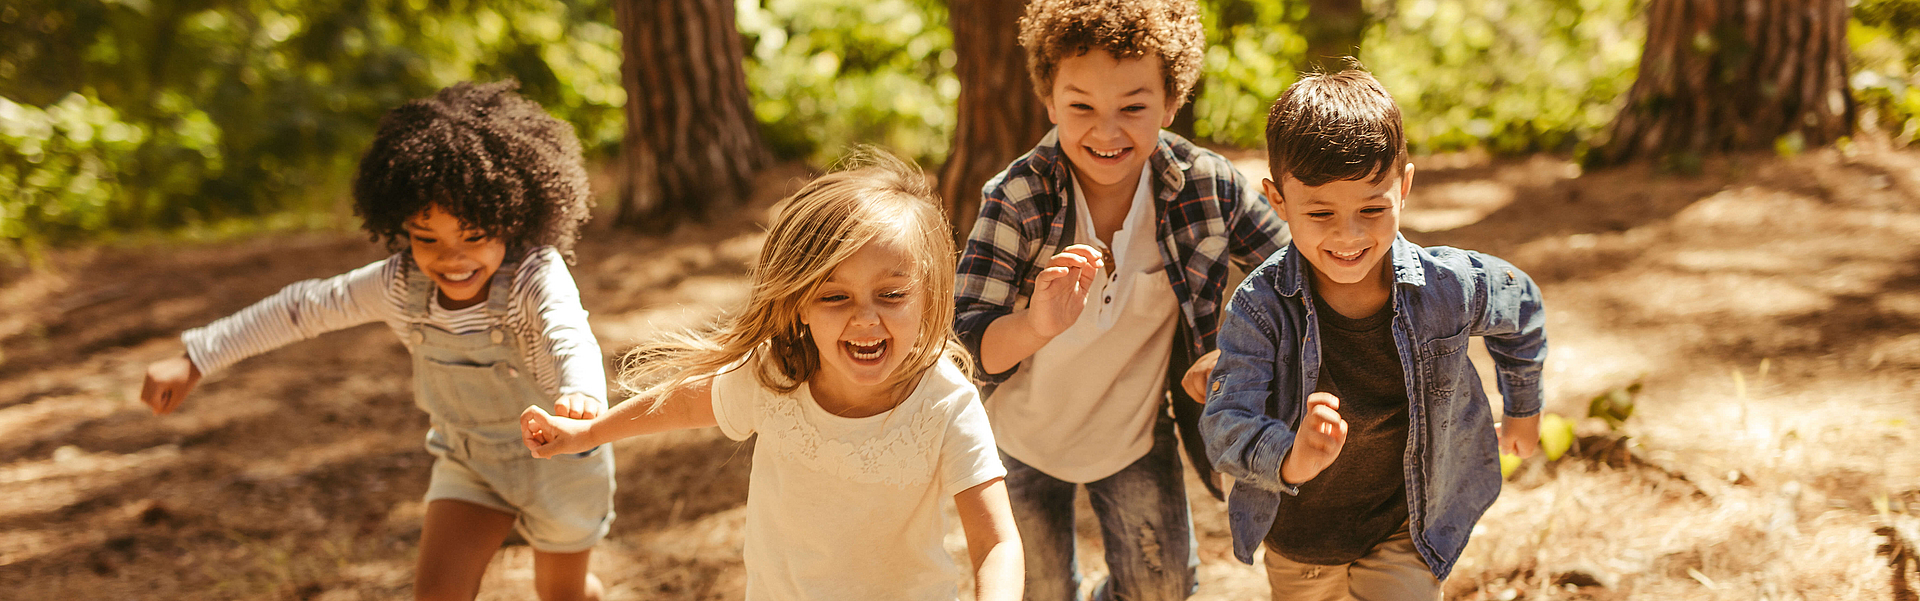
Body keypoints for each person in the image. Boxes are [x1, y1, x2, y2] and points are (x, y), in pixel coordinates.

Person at [138, 80, 611, 601]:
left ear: (513, 218)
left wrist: (581, 392)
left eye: (474, 237)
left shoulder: (533, 275)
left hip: (563, 458)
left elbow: (568, 333)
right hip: (471, 464)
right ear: (401, 227)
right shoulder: (398, 285)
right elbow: (302, 308)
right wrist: (197, 358)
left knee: (562, 595)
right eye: (426, 238)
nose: (452, 259)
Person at [519, 152, 1022, 601]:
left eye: (891, 295)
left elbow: (995, 540)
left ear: (929, 296)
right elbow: (688, 403)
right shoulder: (778, 376)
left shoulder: (944, 402)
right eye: (834, 296)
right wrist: (590, 431)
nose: (866, 319)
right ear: (800, 305)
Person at [951, 0, 1292, 598]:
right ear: (1050, 101)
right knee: (1042, 590)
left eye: (1133, 108)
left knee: (1162, 589)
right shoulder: (1018, 197)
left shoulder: (1206, 184)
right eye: (1081, 106)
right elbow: (968, 341)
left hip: (1135, 436)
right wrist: (1035, 323)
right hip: (1019, 443)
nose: (1106, 132)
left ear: (1170, 101)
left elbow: (1296, 271)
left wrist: (1240, 354)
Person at [1199, 65, 1548, 600]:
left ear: (1403, 187)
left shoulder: (1446, 286)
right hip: (1301, 541)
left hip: (1405, 526)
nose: (1348, 235)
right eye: (1319, 212)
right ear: (1277, 199)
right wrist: (1293, 455)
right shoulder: (1260, 307)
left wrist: (1523, 406)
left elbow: (1519, 299)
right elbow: (1225, 424)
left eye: (1371, 208)